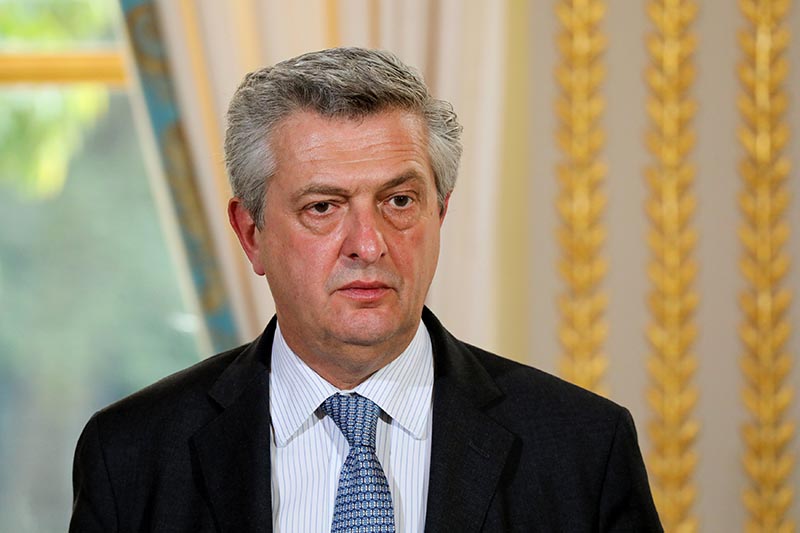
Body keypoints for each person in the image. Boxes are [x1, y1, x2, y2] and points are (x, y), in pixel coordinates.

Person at [70, 47, 662, 532]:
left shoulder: (583, 449)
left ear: (440, 215)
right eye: (323, 207)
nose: (369, 244)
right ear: (252, 234)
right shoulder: (130, 454)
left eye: (399, 201)